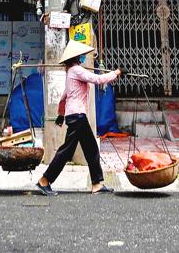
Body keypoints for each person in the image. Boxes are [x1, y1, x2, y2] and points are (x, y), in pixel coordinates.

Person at [36, 41, 121, 196]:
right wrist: (116, 73)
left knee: (91, 149)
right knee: (66, 151)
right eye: (81, 56)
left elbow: (64, 97)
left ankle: (96, 184)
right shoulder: (76, 70)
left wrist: (61, 115)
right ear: (76, 57)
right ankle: (45, 180)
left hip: (75, 116)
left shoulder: (71, 72)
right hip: (77, 116)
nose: (83, 57)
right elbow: (98, 80)